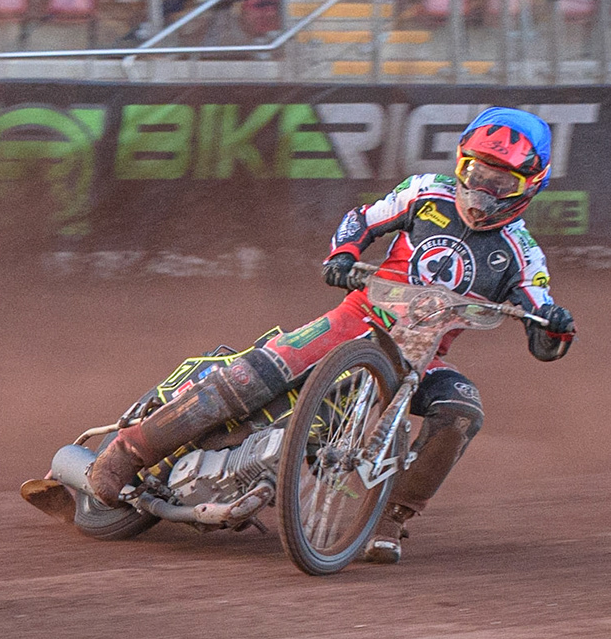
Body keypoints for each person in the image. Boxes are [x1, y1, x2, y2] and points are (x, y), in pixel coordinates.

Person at [86, 107, 576, 563]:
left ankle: (390, 517)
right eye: (475, 173)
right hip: (358, 318)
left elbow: (541, 316)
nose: (482, 190)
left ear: (530, 185)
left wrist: (554, 326)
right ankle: (126, 453)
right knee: (250, 376)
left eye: (499, 181)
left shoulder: (522, 252)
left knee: (462, 410)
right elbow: (362, 219)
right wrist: (343, 254)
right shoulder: (427, 192)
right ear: (460, 163)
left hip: (422, 355)